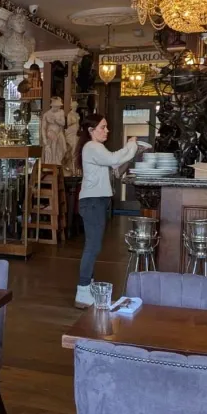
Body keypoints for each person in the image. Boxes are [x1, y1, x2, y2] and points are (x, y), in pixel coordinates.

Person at [74, 114, 138, 308]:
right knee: (93, 246)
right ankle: (83, 291)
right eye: (103, 127)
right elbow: (114, 158)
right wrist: (132, 145)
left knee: (94, 245)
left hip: (95, 201)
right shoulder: (93, 147)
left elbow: (116, 167)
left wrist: (132, 152)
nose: (106, 130)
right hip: (93, 202)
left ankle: (87, 289)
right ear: (91, 130)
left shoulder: (94, 148)